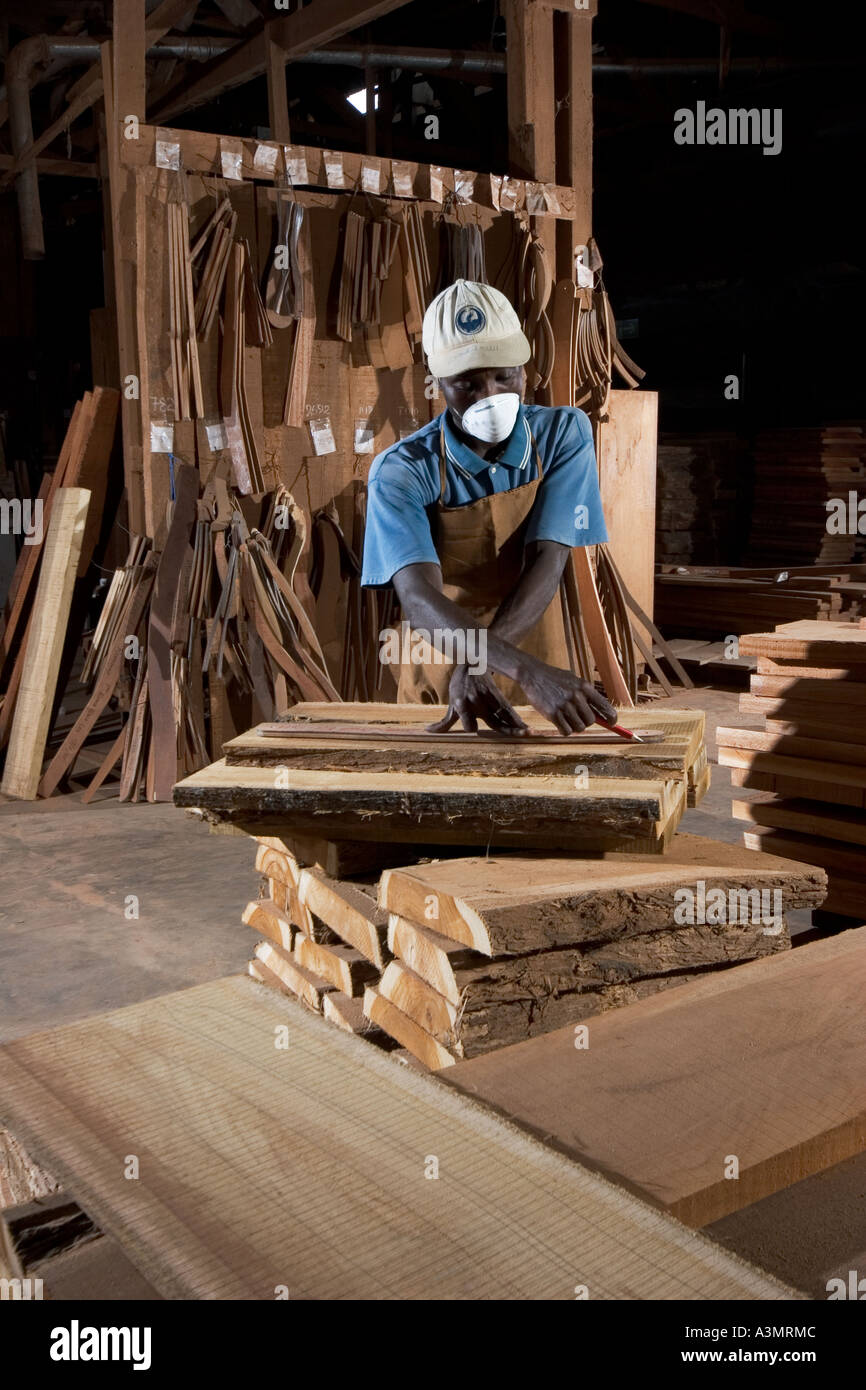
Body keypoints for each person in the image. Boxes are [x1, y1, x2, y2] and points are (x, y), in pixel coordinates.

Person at [361, 279, 617, 736]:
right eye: (467, 383)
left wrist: (493, 666)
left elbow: (549, 557)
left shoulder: (563, 434)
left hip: (535, 652)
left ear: (525, 367)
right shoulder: (401, 470)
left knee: (548, 791)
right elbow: (420, 600)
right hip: (442, 661)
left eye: (504, 376)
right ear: (438, 382)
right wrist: (493, 666)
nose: (489, 395)